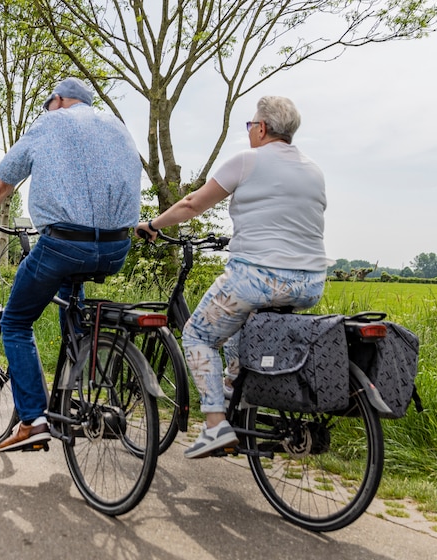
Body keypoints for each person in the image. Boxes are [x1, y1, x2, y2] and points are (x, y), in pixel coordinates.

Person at [136, 95, 329, 459]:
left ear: (261, 128)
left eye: (250, 125)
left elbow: (192, 204)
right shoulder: (313, 169)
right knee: (243, 318)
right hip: (309, 283)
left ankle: (214, 426)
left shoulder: (248, 160)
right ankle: (234, 385)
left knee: (197, 334)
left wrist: (152, 225)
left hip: (257, 278)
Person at [0, 77, 143, 452]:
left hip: (63, 245)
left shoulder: (50, 122)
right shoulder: (117, 126)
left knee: (15, 321)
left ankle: (33, 419)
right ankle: (74, 382)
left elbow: (3, 184)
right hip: (115, 249)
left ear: (59, 100)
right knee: (71, 302)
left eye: (49, 103)